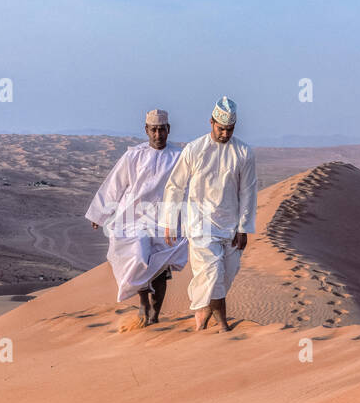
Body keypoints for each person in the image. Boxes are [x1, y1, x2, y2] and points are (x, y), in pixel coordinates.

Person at [161, 96, 257, 331]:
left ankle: (202, 313)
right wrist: (170, 221)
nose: (225, 134)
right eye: (221, 128)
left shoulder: (243, 152)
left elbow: (248, 191)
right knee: (212, 273)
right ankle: (223, 325)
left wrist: (244, 227)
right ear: (211, 122)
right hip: (200, 225)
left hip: (230, 226)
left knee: (226, 277)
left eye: (230, 129)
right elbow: (175, 185)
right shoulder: (194, 150)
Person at [85, 109, 189, 325]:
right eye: (154, 130)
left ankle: (155, 314)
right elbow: (115, 183)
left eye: (162, 130)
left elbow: (191, 189)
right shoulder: (134, 155)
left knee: (160, 269)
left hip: (164, 220)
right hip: (134, 219)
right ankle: (143, 302)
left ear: (168, 130)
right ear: (146, 130)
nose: (158, 134)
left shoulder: (179, 157)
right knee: (138, 258)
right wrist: (100, 212)